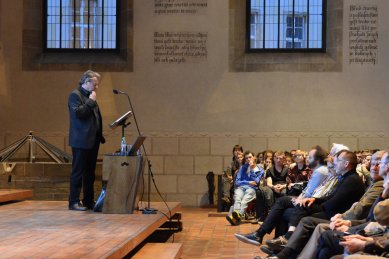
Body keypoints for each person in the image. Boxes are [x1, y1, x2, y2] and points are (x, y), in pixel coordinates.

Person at [254, 149, 366, 259]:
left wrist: (314, 205)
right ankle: (277, 250)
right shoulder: (347, 177)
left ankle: (281, 250)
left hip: (335, 216)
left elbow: (332, 203)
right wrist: (314, 200)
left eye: (338, 161)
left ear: (346, 164)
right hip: (331, 212)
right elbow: (330, 197)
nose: (334, 163)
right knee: (290, 209)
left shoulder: (352, 180)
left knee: (302, 215)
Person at [235, 146, 328, 245]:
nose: (307, 158)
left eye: (310, 157)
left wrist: (299, 198)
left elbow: (308, 191)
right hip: (309, 199)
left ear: (317, 160)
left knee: (282, 201)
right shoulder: (319, 170)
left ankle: (260, 235)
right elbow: (307, 188)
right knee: (282, 205)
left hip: (313, 203)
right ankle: (273, 242)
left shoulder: (320, 171)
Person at [68, 70, 105, 211]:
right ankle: (73, 202)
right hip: (80, 141)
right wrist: (91, 101)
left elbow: (95, 117)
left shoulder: (90, 96)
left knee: (90, 172)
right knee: (78, 172)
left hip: (93, 140)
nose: (96, 87)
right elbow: (79, 114)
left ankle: (88, 201)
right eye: (95, 84)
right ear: (87, 82)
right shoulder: (75, 95)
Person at [226, 151, 265, 225]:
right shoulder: (243, 168)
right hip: (241, 187)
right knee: (237, 198)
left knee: (244, 202)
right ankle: (236, 216)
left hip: (252, 189)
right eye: (246, 158)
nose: (248, 159)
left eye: (250, 157)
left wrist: (252, 169)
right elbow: (237, 182)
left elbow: (256, 182)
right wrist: (248, 182)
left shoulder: (260, 170)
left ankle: (233, 216)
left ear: (254, 157)